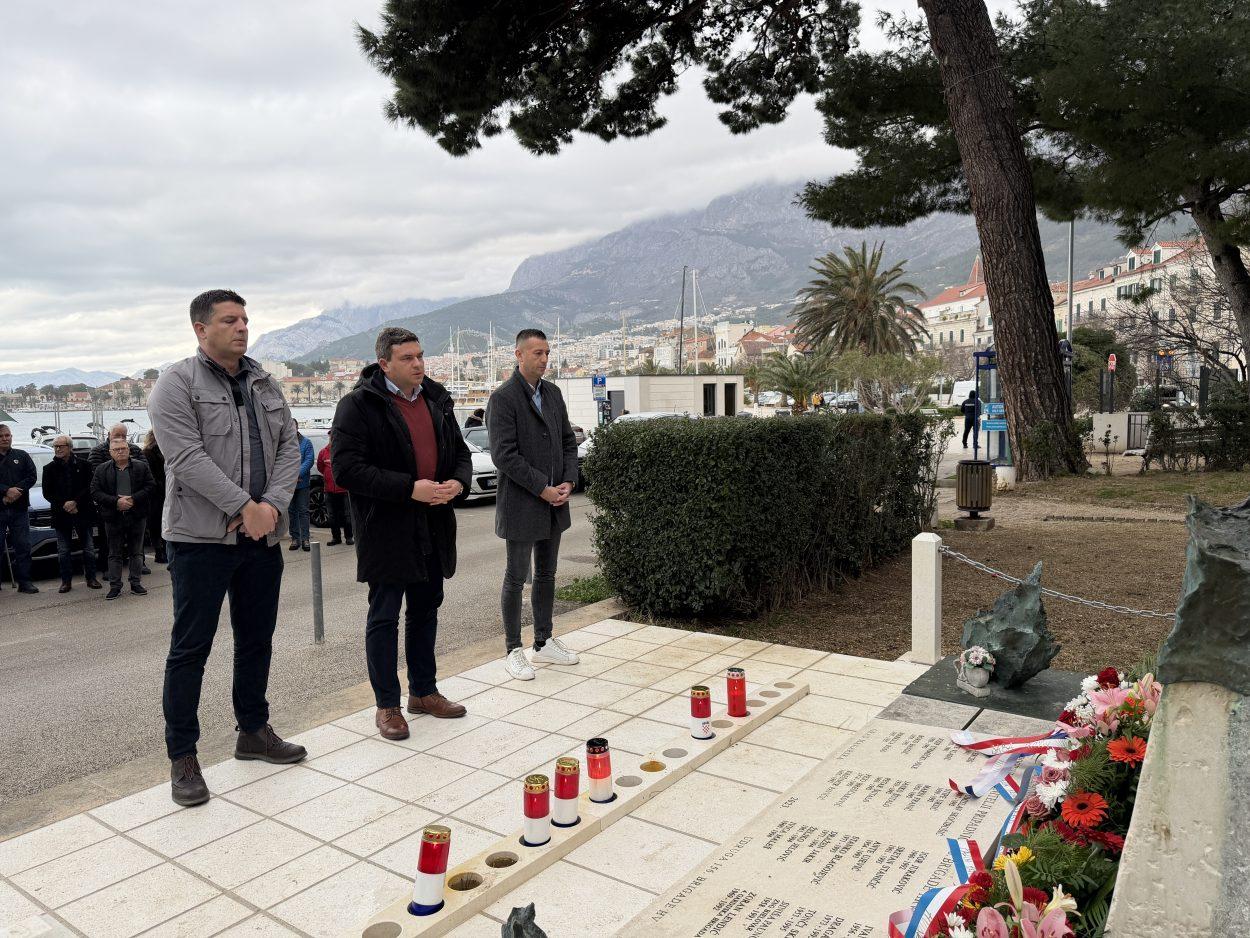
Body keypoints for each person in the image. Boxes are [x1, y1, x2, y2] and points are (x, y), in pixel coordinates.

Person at [148, 288, 305, 807]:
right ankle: (183, 757)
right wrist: (244, 506)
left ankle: (253, 731)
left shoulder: (264, 382)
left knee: (257, 639)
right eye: (229, 320)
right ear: (200, 329)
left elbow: (288, 447)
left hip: (261, 536)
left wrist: (272, 507)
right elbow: (185, 458)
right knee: (191, 648)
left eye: (245, 319)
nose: (242, 328)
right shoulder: (175, 384)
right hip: (200, 540)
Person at [332, 326, 473, 740]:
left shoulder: (436, 398)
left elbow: (460, 453)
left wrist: (458, 483)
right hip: (386, 529)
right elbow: (346, 469)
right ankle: (387, 705)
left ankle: (423, 692)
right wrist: (409, 488)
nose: (418, 364)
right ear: (384, 363)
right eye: (407, 358)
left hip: (434, 524)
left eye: (420, 355)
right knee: (384, 617)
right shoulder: (358, 405)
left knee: (426, 610)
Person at [486, 329, 581, 681]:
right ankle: (513, 649)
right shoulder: (503, 398)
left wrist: (569, 480)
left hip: (555, 503)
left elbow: (568, 441)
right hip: (522, 504)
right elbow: (504, 455)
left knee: (546, 574)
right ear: (519, 355)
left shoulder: (553, 393)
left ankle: (543, 641)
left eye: (547, 353)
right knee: (515, 578)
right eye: (537, 353)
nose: (544, 359)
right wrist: (543, 488)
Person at [91, 437, 156, 599]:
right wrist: (116, 502)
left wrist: (133, 499)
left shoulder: (141, 467)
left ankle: (136, 583)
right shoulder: (101, 469)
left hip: (137, 515)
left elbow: (150, 486)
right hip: (113, 517)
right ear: (110, 452)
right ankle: (115, 586)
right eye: (116, 449)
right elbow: (95, 492)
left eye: (123, 448)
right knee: (114, 553)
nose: (120, 451)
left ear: (128, 450)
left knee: (136, 552)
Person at [42, 435, 102, 592]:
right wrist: (65, 504)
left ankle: (91, 578)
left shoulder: (85, 465)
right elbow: (47, 493)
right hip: (61, 514)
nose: (58, 449)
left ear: (69, 447)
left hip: (83, 511)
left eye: (61, 446)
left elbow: (90, 487)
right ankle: (66, 581)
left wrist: (75, 502)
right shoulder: (49, 469)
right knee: (63, 550)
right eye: (55, 446)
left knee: (88, 548)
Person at [89, 425, 149, 576]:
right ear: (109, 434)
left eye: (124, 435)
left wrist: (132, 498)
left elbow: (146, 474)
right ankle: (108, 571)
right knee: (109, 544)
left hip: (135, 506)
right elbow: (96, 479)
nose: (120, 438)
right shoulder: (97, 451)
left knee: (136, 546)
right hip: (110, 507)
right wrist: (116, 501)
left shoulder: (134, 449)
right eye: (117, 435)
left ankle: (137, 572)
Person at [0, 424, 39, 594]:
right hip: (0, 507)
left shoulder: (22, 455)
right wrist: (5, 491)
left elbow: (32, 476)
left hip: (19, 509)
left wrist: (17, 491)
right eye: (1, 436)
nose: (5, 438)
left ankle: (25, 582)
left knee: (23, 546)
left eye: (7, 435)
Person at [316, 431, 353, 546]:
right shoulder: (323, 452)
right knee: (332, 516)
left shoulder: (344, 452)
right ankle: (336, 538)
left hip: (344, 490)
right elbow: (320, 468)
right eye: (331, 436)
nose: (333, 438)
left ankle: (349, 537)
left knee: (347, 515)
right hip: (329, 490)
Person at [288, 421, 315, 552]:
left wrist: (297, 474)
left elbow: (309, 460)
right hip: (288, 485)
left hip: (302, 484)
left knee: (303, 511)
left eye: (293, 426)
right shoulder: (285, 443)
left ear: (297, 427)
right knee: (291, 512)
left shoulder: (306, 443)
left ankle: (305, 539)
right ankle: (295, 538)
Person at [142, 430, 168, 564]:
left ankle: (162, 551)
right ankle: (160, 551)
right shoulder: (150, 453)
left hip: (160, 492)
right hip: (157, 493)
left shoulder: (151, 452)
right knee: (158, 523)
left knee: (159, 523)